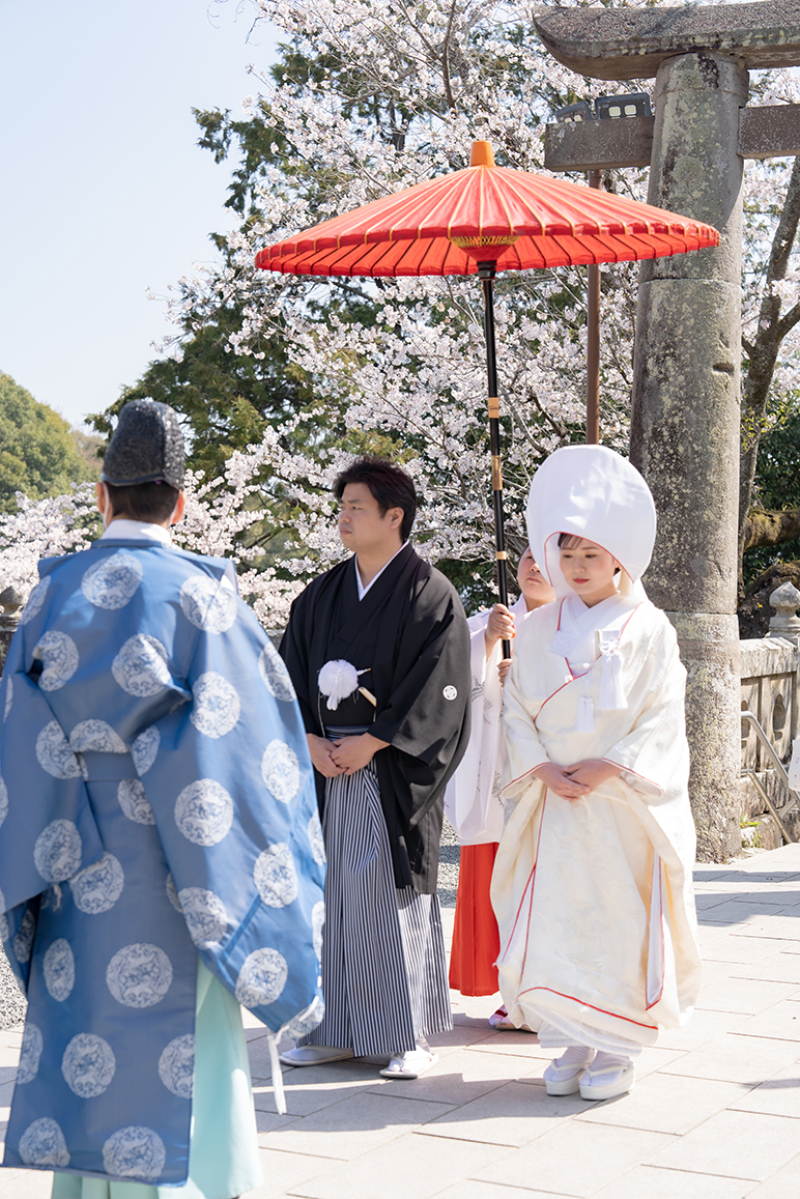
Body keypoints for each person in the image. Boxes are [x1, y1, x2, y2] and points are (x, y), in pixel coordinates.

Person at [0, 400, 325, 1196]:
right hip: (186, 874)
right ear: (180, 504)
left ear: (101, 496)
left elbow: (18, 747)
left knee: (87, 1036)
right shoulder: (205, 599)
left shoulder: (48, 597)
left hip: (75, 862)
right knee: (191, 1046)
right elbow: (256, 757)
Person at [491, 445, 701, 1102]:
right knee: (559, 915)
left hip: (620, 803)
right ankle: (572, 1036)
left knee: (618, 916)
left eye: (591, 554)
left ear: (619, 559)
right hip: (556, 798)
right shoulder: (538, 628)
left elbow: (664, 710)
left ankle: (616, 1043)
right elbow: (516, 708)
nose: (577, 566)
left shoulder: (650, 627)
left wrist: (612, 764)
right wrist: (543, 768)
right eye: (567, 553)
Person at [279, 456, 470, 1079]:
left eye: (357, 508)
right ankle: (333, 1029)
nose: (344, 517)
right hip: (324, 766)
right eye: (342, 507)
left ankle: (406, 1034)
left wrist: (378, 739)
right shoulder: (321, 595)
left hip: (386, 770)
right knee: (328, 897)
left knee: (388, 896)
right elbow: (286, 673)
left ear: (395, 517)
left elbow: (442, 689)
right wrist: (308, 737)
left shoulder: (430, 594)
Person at [445, 549, 554, 1021]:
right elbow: (451, 676)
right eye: (528, 557)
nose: (534, 566)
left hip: (550, 769)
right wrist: (488, 644)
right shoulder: (493, 622)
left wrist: (529, 680)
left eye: (545, 558)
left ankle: (548, 994)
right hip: (500, 768)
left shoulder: (575, 625)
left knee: (547, 881)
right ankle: (513, 994)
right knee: (503, 879)